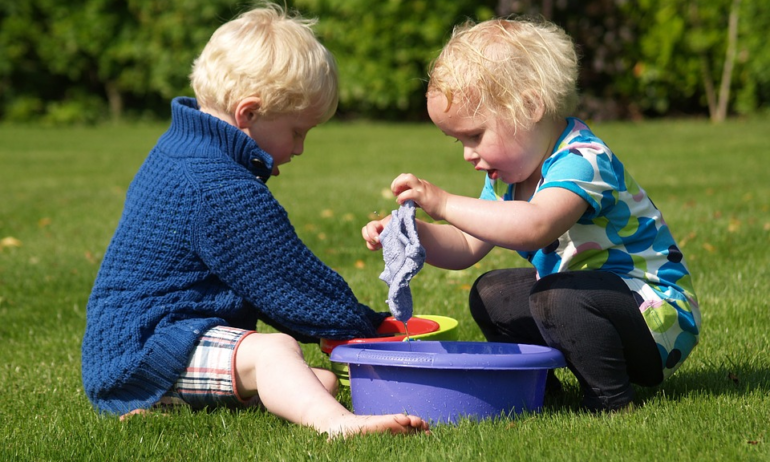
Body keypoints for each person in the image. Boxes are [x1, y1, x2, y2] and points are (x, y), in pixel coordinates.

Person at [81, 3, 429, 437]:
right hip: (146, 351)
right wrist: (366, 326)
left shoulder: (182, 148)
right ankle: (338, 425)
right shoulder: (218, 185)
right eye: (297, 131)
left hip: (147, 343)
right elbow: (289, 282)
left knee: (314, 381)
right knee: (276, 352)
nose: (300, 148)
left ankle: (163, 406)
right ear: (248, 114)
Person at [362, 17, 701, 412]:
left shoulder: (583, 159)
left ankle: (610, 401)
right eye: (459, 141)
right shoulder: (508, 178)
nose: (468, 154)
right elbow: (467, 244)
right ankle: (539, 390)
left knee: (553, 297)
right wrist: (410, 232)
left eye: (475, 135)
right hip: (586, 303)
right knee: (492, 293)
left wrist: (443, 202)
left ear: (529, 106)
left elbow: (535, 226)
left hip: (654, 317)